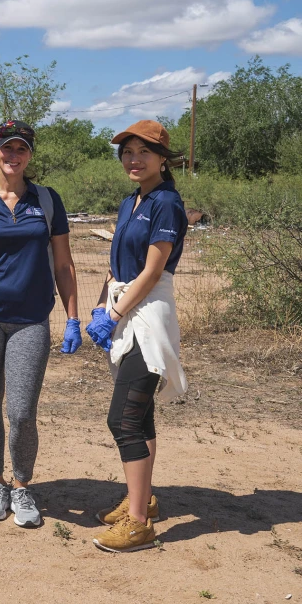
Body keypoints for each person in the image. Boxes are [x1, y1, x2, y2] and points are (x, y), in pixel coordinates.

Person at [0, 119, 82, 528]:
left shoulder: (46, 200)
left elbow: (63, 263)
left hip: (30, 321)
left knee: (22, 411)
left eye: (21, 149)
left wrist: (72, 317)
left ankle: (22, 486)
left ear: (29, 155)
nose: (13, 155)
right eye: (6, 148)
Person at [87, 120, 188, 553]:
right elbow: (117, 264)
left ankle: (140, 524)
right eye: (127, 151)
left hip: (147, 315)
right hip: (124, 308)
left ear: (162, 159)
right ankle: (140, 499)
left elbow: (151, 271)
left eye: (144, 151)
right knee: (139, 413)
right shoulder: (133, 201)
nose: (134, 158)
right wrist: (99, 307)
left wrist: (113, 313)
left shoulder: (165, 203)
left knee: (123, 419)